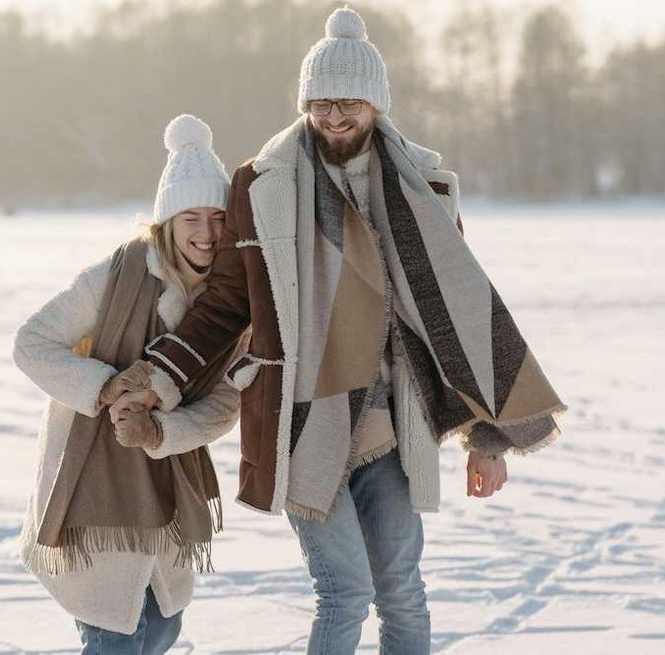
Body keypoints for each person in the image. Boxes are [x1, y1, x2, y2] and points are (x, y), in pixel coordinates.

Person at [132, 8, 568, 654]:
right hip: (302, 424)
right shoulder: (262, 184)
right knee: (344, 593)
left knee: (402, 592)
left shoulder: (423, 187)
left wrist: (489, 438)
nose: (334, 117)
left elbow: (458, 319)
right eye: (321, 103)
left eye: (350, 104)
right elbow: (225, 303)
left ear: (376, 103)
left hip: (392, 427)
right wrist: (160, 376)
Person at [12, 114, 246, 654]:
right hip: (94, 481)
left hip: (165, 480)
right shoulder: (117, 275)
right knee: (114, 630)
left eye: (218, 218)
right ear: (167, 220)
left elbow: (225, 403)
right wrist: (106, 387)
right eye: (191, 217)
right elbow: (31, 343)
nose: (207, 233)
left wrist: (159, 432)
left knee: (162, 625)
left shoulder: (233, 303)